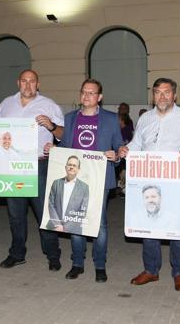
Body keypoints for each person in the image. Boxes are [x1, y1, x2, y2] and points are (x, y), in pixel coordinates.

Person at [118, 77, 180, 292]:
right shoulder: (145, 118)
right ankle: (151, 270)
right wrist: (126, 149)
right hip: (149, 178)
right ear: (153, 95)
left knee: (176, 227)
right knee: (149, 225)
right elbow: (137, 143)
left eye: (167, 92)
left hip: (175, 180)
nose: (162, 96)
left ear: (174, 95)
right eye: (157, 92)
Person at [0, 69, 64, 271]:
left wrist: (52, 125)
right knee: (15, 214)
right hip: (12, 166)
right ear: (18, 83)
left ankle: (53, 254)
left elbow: (63, 134)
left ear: (38, 84)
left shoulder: (49, 105)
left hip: (38, 165)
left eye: (32, 81)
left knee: (44, 213)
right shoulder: (6, 104)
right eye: (24, 81)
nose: (28, 85)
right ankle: (17, 253)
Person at [52, 79, 122, 282]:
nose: (87, 96)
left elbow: (119, 146)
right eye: (84, 92)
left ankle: (100, 265)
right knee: (75, 221)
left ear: (99, 97)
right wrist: (54, 150)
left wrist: (116, 155)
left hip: (100, 178)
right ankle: (77, 264)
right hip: (75, 177)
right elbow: (65, 146)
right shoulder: (70, 118)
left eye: (92, 93)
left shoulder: (110, 119)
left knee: (98, 225)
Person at [46, 156, 90, 234]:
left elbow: (83, 210)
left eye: (74, 165)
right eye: (69, 165)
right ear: (65, 167)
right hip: (54, 224)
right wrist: (58, 224)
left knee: (77, 242)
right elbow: (51, 204)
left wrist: (66, 227)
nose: (71, 167)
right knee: (50, 240)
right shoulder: (56, 183)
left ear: (78, 169)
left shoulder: (84, 187)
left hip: (75, 226)